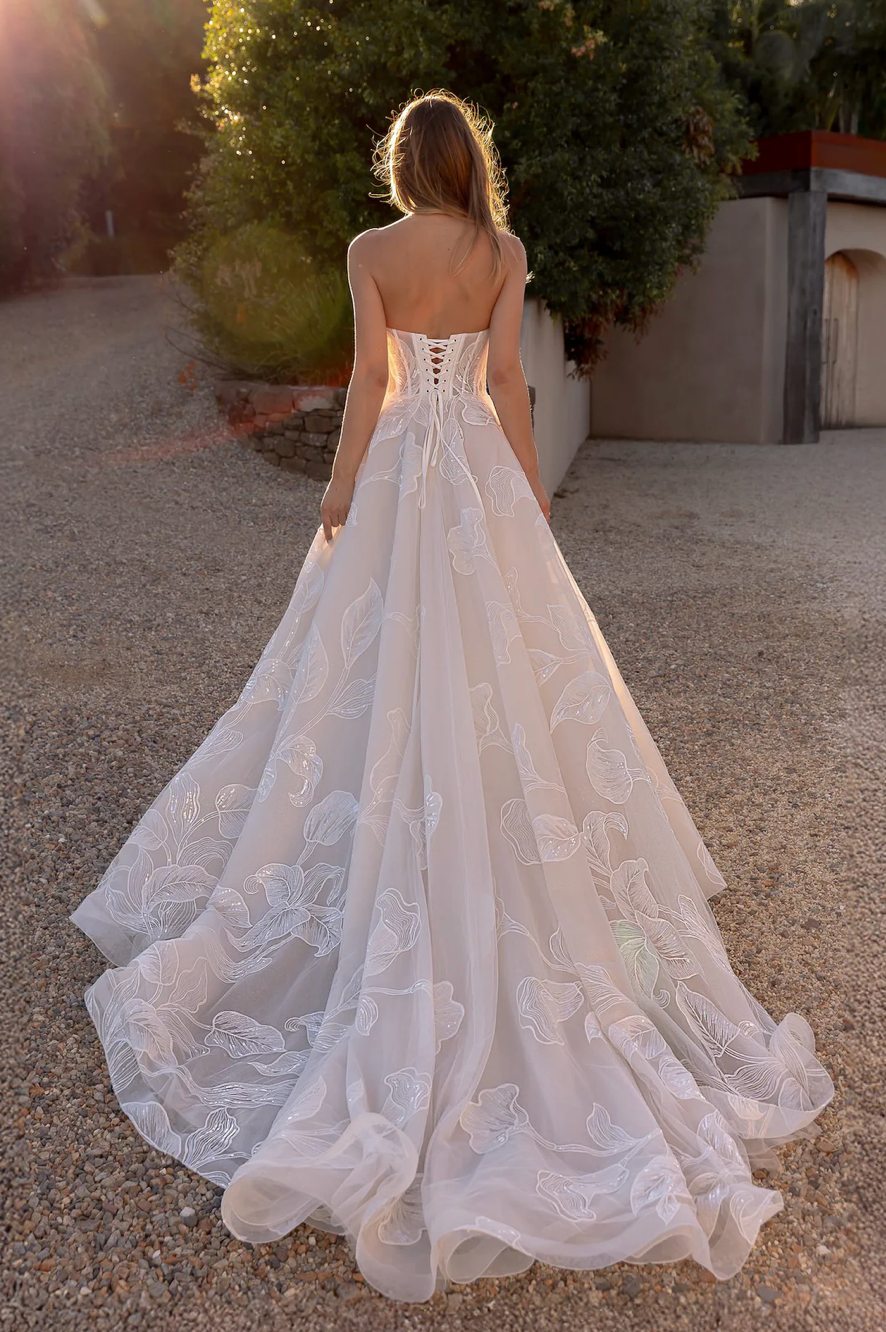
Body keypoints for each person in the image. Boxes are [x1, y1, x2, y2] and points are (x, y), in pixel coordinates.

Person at [70, 90, 833, 1305]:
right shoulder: (502, 252)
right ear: (467, 163)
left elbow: (373, 382)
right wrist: (525, 503)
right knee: (504, 683)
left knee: (358, 679)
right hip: (475, 476)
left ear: (399, 166)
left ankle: (393, 845)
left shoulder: (373, 252)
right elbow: (509, 390)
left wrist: (338, 492)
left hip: (402, 480)